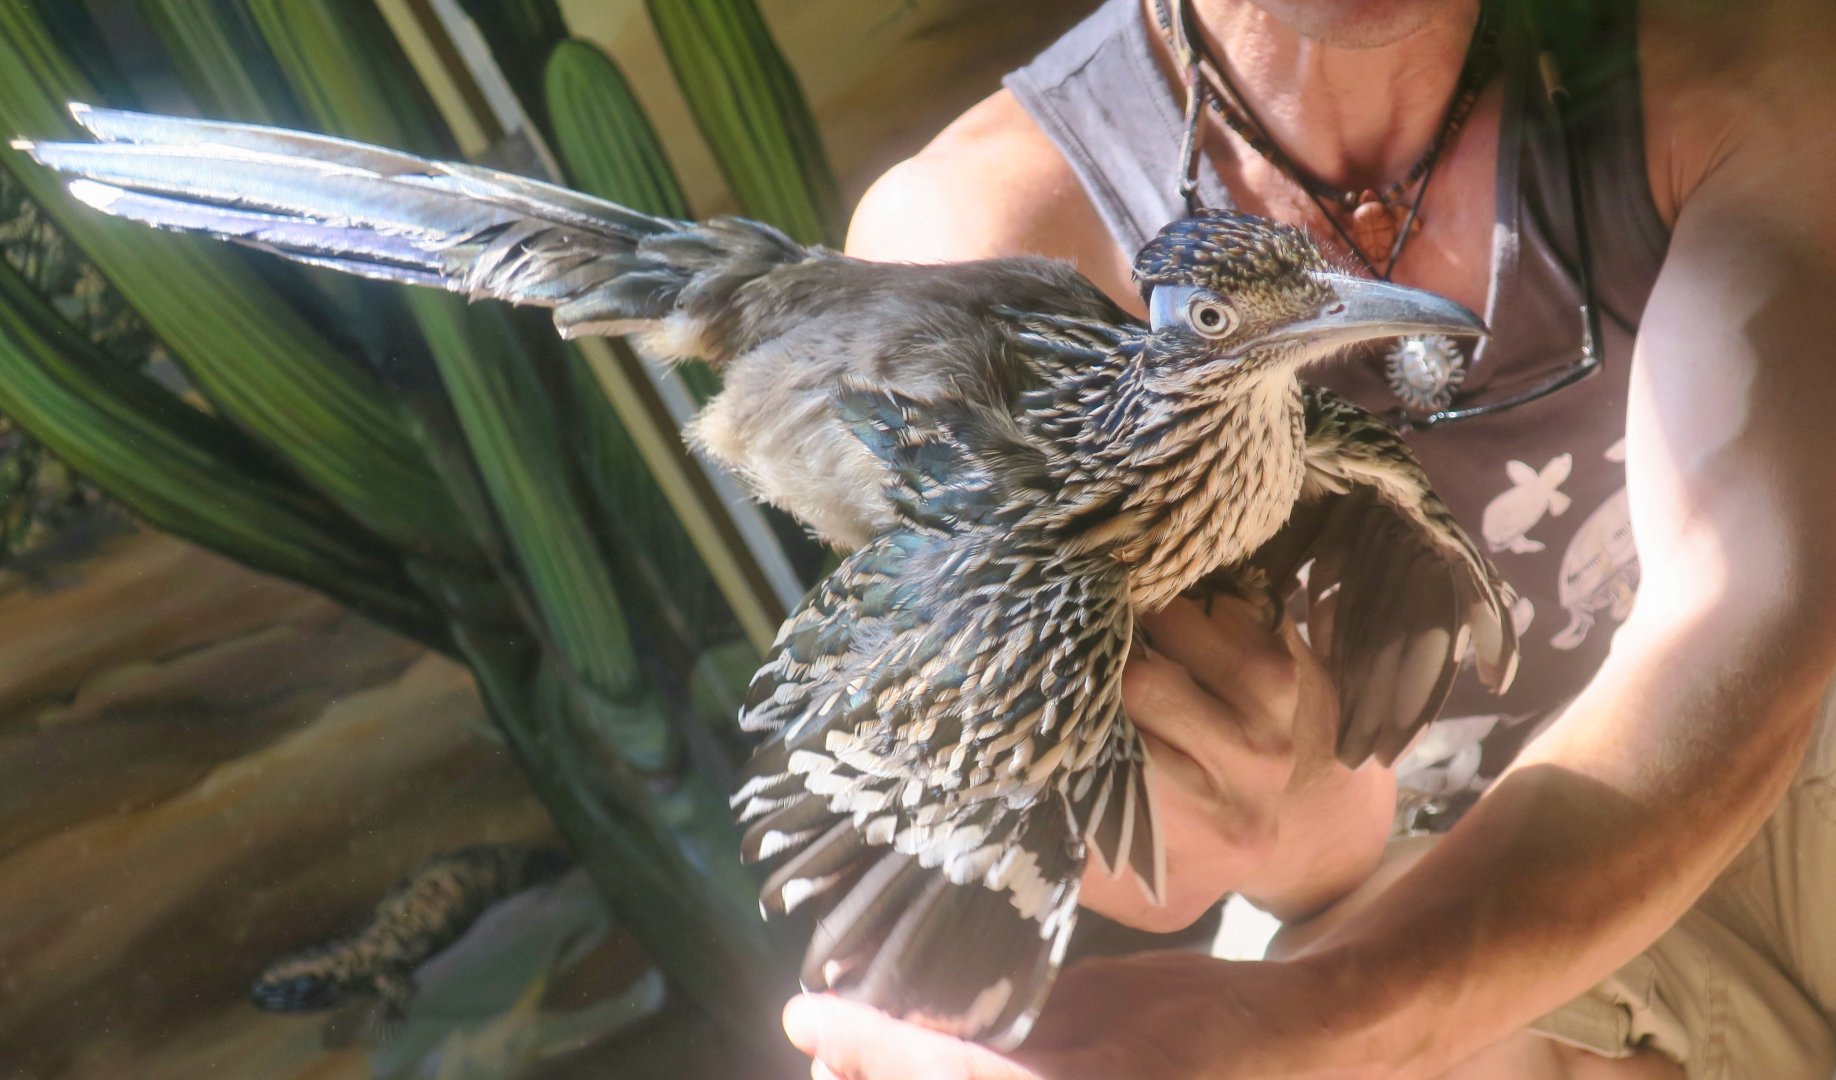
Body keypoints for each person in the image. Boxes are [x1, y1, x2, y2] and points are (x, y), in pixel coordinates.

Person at [780, 0, 1836, 1076]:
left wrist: (1293, 1025)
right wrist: (1273, 817)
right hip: (1415, 905)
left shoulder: (1731, 62)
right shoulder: (974, 249)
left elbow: (1752, 613)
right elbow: (1204, 842)